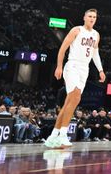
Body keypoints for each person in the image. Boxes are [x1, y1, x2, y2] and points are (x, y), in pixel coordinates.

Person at [45, 9, 106, 149]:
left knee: (69, 102)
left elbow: (95, 54)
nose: (92, 18)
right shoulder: (76, 30)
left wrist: (100, 70)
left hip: (85, 69)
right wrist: (59, 66)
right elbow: (62, 48)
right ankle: (63, 135)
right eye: (90, 16)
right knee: (75, 97)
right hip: (72, 65)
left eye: (94, 17)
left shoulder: (96, 35)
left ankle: (53, 135)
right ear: (84, 17)